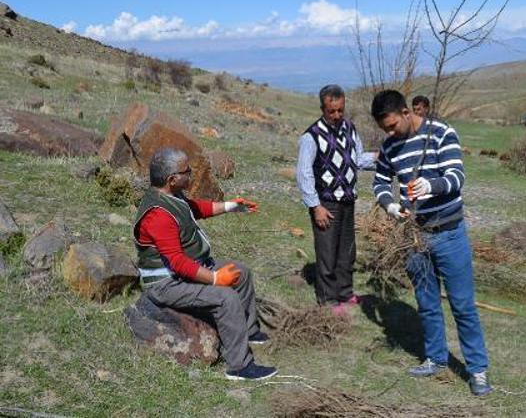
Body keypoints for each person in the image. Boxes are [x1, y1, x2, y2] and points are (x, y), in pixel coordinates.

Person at [370, 89, 492, 396]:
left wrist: (431, 185)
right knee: (426, 303)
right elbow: (381, 182)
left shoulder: (441, 133)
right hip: (414, 236)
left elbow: (456, 176)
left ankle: (477, 369)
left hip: (449, 233)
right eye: (385, 129)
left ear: (407, 112)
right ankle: (436, 358)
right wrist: (390, 205)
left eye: (393, 125)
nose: (390, 132)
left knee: (463, 305)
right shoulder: (389, 146)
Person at [134, 147, 277, 381]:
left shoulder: (172, 196)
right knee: (226, 297)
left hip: (186, 270)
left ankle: (249, 331)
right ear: (172, 179)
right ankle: (240, 367)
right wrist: (215, 279)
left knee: (241, 272)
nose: (190, 174)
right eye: (186, 171)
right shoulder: (158, 215)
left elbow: (195, 209)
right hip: (166, 284)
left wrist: (231, 206)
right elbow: (178, 263)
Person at [296, 84, 376, 311]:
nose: (337, 115)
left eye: (340, 110)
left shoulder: (350, 128)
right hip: (326, 202)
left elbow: (358, 159)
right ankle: (328, 298)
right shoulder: (311, 137)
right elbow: (304, 173)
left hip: (348, 200)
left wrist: (380, 156)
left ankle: (345, 292)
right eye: (332, 111)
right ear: (323, 108)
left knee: (347, 250)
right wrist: (315, 206)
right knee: (328, 252)